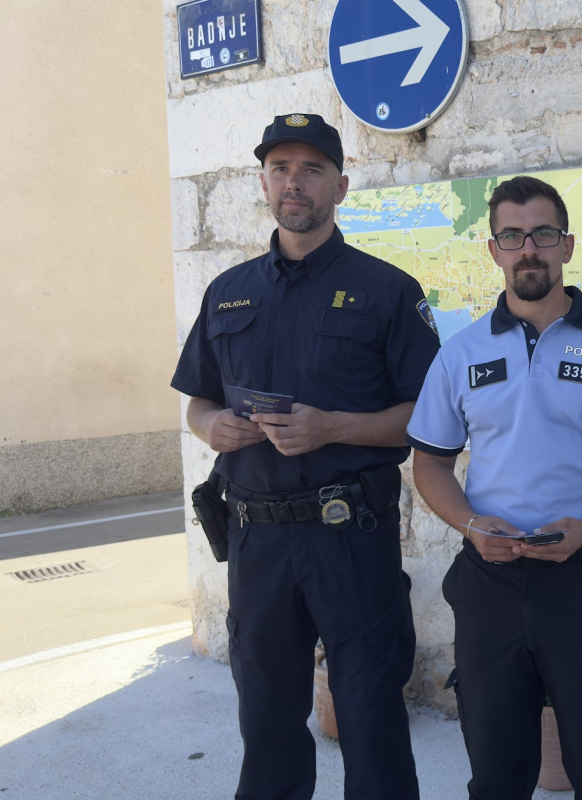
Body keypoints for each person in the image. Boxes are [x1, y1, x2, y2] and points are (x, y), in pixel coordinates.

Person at [171, 113, 440, 800]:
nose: (295, 182)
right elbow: (197, 401)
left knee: (372, 720)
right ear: (262, 182)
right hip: (257, 543)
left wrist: (332, 428)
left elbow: (428, 420)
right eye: (281, 168)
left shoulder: (389, 292)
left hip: (350, 538)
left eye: (312, 169)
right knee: (265, 723)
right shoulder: (227, 291)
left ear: (340, 185)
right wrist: (212, 429)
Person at [407, 175, 582, 799]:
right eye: (512, 234)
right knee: (497, 774)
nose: (528, 247)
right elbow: (430, 465)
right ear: (494, 250)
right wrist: (473, 527)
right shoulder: (459, 354)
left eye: (543, 233)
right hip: (489, 584)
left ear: (567, 245)